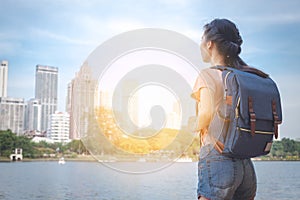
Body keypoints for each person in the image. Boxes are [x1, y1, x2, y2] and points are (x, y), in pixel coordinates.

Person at [191, 19, 259, 200]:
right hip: (246, 165)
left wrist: (193, 131)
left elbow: (205, 113)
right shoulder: (246, 75)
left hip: (218, 160)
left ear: (209, 44)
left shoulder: (209, 75)